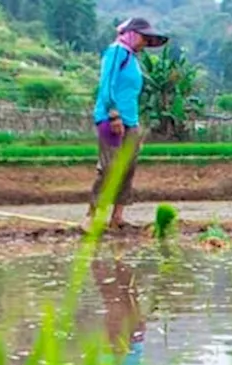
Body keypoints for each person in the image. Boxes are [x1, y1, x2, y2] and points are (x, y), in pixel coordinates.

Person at [86, 17, 170, 231]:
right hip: (110, 119)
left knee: (128, 168)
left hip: (131, 121)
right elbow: (106, 84)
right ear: (132, 34)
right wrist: (114, 115)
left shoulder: (132, 58)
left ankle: (117, 217)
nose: (145, 43)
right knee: (110, 168)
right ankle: (93, 215)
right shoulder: (116, 52)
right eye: (144, 37)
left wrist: (133, 123)